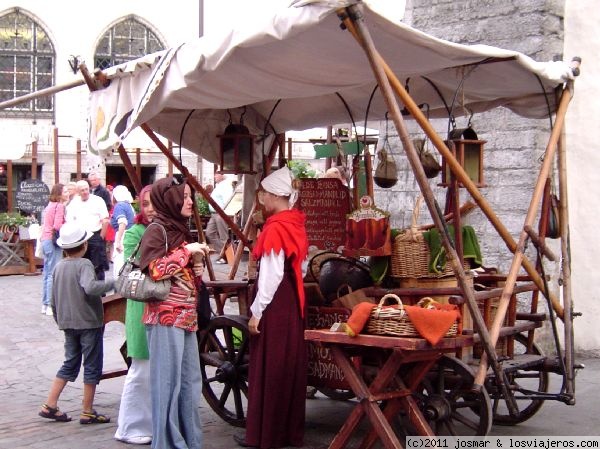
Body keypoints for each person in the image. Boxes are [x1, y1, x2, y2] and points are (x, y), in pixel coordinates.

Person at [234, 166, 309, 449]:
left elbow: (271, 274)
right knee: (286, 364)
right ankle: (286, 431)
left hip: (276, 304)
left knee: (272, 366)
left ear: (276, 195)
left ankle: (266, 434)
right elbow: (297, 270)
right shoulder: (295, 223)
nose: (261, 198)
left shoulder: (277, 227)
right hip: (290, 302)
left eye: (264, 193)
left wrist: (257, 311)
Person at [138, 176, 208, 449]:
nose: (190, 201)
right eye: (186, 196)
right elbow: (155, 270)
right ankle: (166, 444)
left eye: (191, 196)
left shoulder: (179, 229)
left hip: (186, 317)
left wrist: (196, 269)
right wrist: (185, 252)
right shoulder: (157, 230)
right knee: (167, 386)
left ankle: (190, 441)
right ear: (171, 199)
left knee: (190, 383)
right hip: (165, 317)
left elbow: (183, 280)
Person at [38, 221, 114, 424]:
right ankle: (87, 410)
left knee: (70, 362)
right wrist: (113, 283)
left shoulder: (59, 267)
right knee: (91, 365)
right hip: (88, 322)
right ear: (85, 245)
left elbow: (53, 298)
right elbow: (90, 287)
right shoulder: (84, 265)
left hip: (68, 323)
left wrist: (59, 320)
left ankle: (50, 403)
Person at [114, 185, 155, 446]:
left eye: (155, 203)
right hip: (141, 305)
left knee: (154, 370)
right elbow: (133, 271)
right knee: (140, 370)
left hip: (161, 307)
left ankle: (151, 422)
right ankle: (128, 426)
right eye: (146, 204)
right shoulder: (134, 233)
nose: (150, 209)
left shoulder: (166, 231)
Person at [66, 180, 110, 280]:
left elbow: (105, 220)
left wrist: (101, 237)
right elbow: (69, 220)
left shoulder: (98, 200)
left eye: (86, 189)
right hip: (80, 237)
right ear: (78, 192)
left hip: (95, 235)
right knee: (82, 265)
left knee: (97, 266)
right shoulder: (74, 203)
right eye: (82, 190)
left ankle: (99, 292)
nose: (85, 192)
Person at [40, 183, 66, 316]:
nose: (66, 193)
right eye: (65, 191)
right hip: (52, 239)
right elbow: (57, 226)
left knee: (46, 272)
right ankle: (50, 304)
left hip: (45, 239)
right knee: (52, 273)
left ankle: (44, 304)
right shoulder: (59, 206)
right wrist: (67, 224)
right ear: (60, 193)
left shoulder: (49, 205)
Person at [205, 173, 233, 262]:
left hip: (220, 213)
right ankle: (223, 253)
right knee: (209, 233)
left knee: (223, 237)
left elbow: (227, 200)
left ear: (222, 175)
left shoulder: (226, 186)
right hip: (214, 214)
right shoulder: (219, 186)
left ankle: (228, 257)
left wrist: (225, 213)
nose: (214, 176)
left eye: (217, 174)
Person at [110, 185, 135, 278]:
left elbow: (122, 223)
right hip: (130, 236)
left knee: (119, 269)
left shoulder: (119, 206)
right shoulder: (129, 205)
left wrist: (118, 242)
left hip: (123, 236)